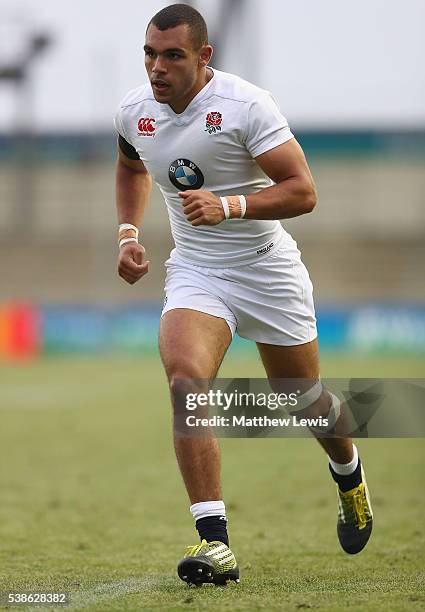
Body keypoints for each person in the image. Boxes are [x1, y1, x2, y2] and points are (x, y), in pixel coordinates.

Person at [114, 3, 373, 587]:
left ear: (204, 58)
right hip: (197, 271)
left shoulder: (245, 106)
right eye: (150, 54)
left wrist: (230, 205)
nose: (158, 67)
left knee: (303, 399)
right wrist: (128, 233)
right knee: (186, 382)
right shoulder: (134, 111)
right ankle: (216, 544)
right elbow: (130, 166)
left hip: (266, 269)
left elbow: (303, 192)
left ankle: (348, 472)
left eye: (173, 55)